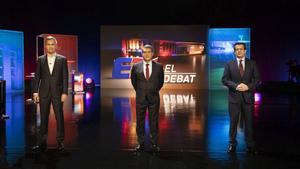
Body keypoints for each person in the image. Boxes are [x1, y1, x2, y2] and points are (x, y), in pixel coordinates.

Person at [222, 42, 261, 154]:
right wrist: (236, 86)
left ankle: (250, 145)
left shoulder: (252, 63)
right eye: (236, 49)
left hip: (248, 98)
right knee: (233, 122)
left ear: (245, 51)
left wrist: (247, 86)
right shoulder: (229, 64)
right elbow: (224, 80)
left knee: (249, 123)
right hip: (234, 99)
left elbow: (257, 79)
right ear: (234, 51)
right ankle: (232, 144)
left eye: (241, 49)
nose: (238, 51)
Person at [32, 36, 69, 152]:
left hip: (57, 93)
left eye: (52, 44)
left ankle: (60, 141)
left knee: (59, 117)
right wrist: (35, 92)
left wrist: (65, 92)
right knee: (43, 117)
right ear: (45, 46)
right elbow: (37, 76)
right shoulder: (41, 59)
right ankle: (42, 141)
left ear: (56, 46)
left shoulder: (62, 59)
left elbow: (64, 76)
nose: (50, 46)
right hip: (43, 92)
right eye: (48, 44)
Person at [130, 44, 164, 153]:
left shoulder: (159, 66)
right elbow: (134, 82)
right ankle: (141, 143)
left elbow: (161, 82)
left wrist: (153, 90)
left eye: (149, 51)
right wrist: (141, 91)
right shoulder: (136, 67)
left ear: (153, 53)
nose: (147, 54)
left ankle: (154, 144)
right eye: (144, 52)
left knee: (153, 121)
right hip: (140, 98)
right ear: (142, 54)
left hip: (154, 98)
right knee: (140, 122)